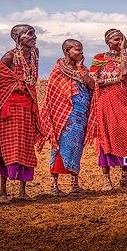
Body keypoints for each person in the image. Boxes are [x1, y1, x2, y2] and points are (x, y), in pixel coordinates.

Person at [41, 39, 98, 196]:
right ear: (67, 51)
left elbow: (91, 85)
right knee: (58, 147)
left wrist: (81, 68)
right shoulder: (57, 70)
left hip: (80, 114)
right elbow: (52, 96)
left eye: (81, 50)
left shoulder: (83, 69)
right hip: (62, 116)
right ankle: (54, 185)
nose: (81, 53)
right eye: (77, 50)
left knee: (77, 147)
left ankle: (74, 184)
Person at [0, 24, 40, 203]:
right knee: (8, 149)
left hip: (27, 108)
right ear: (19, 38)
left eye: (34, 34)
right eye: (30, 34)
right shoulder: (9, 57)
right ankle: (2, 192)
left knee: (26, 149)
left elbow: (31, 80)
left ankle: (22, 191)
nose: (34, 37)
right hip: (9, 110)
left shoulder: (35, 54)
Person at [89, 29, 127, 191]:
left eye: (122, 40)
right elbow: (93, 81)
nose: (120, 42)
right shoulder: (98, 58)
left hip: (124, 103)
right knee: (105, 139)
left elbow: (126, 72)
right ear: (108, 42)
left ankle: (124, 180)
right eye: (117, 40)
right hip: (104, 102)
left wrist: (124, 52)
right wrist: (114, 79)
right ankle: (106, 181)